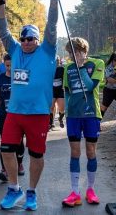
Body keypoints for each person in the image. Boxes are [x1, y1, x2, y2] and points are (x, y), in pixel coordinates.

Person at [0, 0, 63, 211]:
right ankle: (14, 189)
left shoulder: (47, 50)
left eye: (30, 38)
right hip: (14, 112)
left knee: (36, 155)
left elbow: (52, 26)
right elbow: (3, 32)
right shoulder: (14, 50)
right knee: (6, 150)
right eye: (23, 38)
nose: (25, 42)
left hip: (38, 114)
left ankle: (31, 192)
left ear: (37, 39)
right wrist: (1, 6)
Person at [61, 37, 104, 207]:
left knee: (91, 151)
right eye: (71, 52)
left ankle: (90, 190)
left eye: (76, 51)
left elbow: (90, 86)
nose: (73, 55)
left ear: (84, 51)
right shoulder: (67, 68)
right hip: (73, 116)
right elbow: (67, 91)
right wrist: (66, 112)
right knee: (75, 152)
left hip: (91, 114)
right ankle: (75, 193)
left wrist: (81, 68)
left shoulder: (97, 63)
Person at [0, 54, 25, 182]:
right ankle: (4, 169)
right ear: (4, 64)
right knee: (4, 141)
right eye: (7, 65)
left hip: (18, 115)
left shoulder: (20, 77)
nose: (9, 68)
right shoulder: (0, 78)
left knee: (18, 141)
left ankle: (20, 163)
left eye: (12, 65)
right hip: (4, 114)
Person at [50, 55, 65, 130]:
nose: (56, 63)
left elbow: (64, 79)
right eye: (54, 61)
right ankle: (51, 123)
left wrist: (65, 87)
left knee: (62, 109)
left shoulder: (62, 69)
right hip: (52, 90)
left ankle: (60, 118)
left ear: (59, 62)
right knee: (51, 107)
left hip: (60, 90)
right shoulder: (49, 69)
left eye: (57, 61)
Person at [101, 52, 116, 117]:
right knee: (103, 108)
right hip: (109, 91)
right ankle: (96, 123)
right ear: (113, 60)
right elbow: (110, 80)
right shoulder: (108, 68)